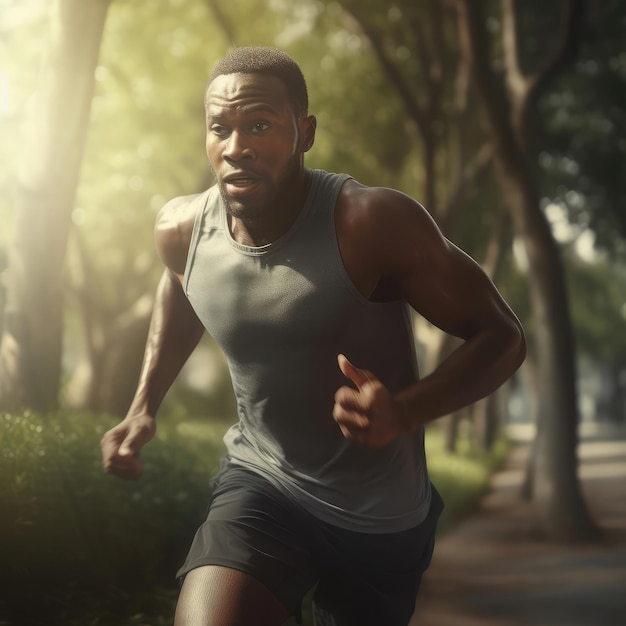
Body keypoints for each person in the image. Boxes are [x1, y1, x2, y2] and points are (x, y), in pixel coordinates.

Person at [100, 46, 526, 626]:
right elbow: (182, 287)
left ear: (305, 132)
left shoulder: (370, 223)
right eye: (219, 128)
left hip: (382, 516)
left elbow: (502, 337)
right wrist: (143, 405)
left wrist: (402, 412)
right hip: (263, 484)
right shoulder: (181, 230)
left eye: (259, 125)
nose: (236, 147)